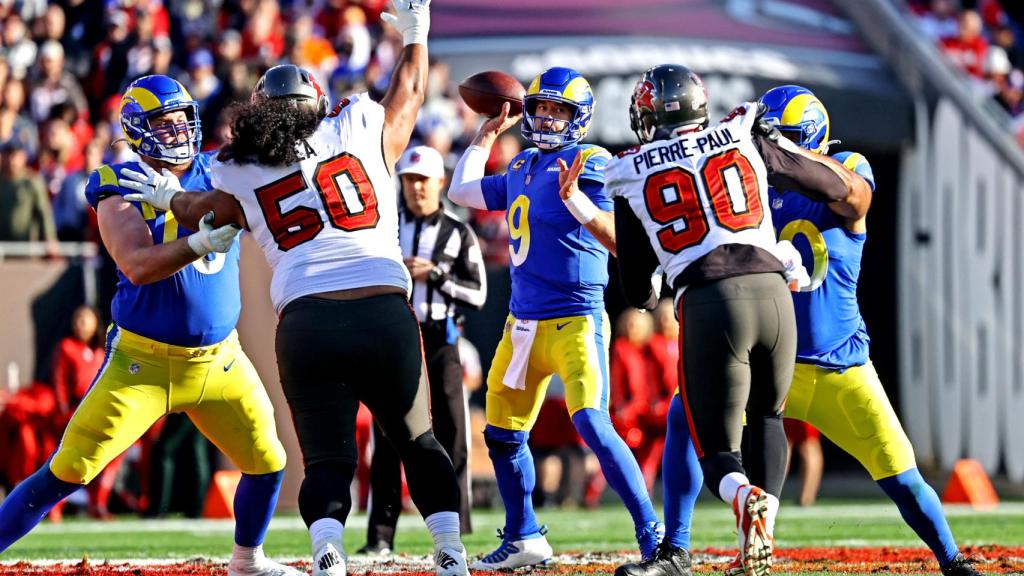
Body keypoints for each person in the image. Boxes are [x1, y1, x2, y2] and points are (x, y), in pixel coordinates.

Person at [119, 4, 471, 575]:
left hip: (307, 323)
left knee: (327, 458)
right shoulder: (356, 124)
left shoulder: (240, 167)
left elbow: (206, 211)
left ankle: (327, 553)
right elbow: (408, 90)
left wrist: (165, 198)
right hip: (382, 309)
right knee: (418, 440)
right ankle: (450, 552)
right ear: (318, 104)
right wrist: (415, 31)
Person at [0, 75, 302, 576]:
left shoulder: (220, 169)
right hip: (141, 363)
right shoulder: (116, 179)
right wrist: (199, 244)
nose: (179, 130)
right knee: (69, 469)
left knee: (269, 461)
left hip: (221, 360)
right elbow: (138, 264)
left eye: (183, 118)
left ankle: (248, 561)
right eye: (164, 122)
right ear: (138, 128)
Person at [606, 64, 869, 576]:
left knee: (717, 449)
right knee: (769, 419)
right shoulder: (742, 132)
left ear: (649, 114)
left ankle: (743, 496)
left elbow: (637, 291)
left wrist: (660, 271)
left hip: (711, 303)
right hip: (775, 297)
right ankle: (760, 539)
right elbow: (829, 183)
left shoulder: (630, 169)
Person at [757, 84, 982, 576]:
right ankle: (672, 547)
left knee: (903, 477)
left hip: (842, 364)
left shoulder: (850, 168)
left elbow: (851, 198)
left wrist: (783, 157)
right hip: (774, 361)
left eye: (779, 143)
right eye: (763, 143)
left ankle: (953, 559)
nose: (768, 156)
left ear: (808, 140)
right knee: (684, 414)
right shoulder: (756, 191)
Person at [446, 66, 664, 570]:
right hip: (521, 323)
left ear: (578, 118)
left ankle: (653, 536)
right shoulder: (522, 163)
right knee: (502, 434)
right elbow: (462, 191)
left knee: (592, 422)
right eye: (541, 107)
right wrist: (485, 134)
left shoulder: (590, 160)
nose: (545, 117)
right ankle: (524, 536)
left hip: (576, 319)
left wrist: (578, 202)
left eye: (557, 109)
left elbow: (620, 242)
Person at [359, 144, 486, 554]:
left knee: (452, 434)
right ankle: (380, 537)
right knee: (387, 439)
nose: (416, 188)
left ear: (440, 183)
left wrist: (437, 276)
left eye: (423, 181)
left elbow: (479, 293)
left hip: (440, 340)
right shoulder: (386, 226)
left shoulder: (458, 231)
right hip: (394, 340)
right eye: (409, 180)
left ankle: (455, 534)